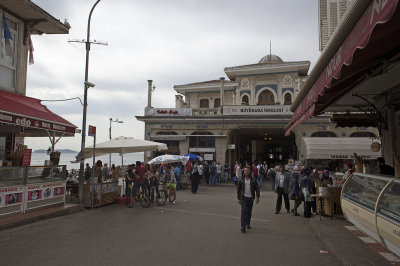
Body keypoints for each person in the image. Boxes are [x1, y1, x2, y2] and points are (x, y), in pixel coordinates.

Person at [237, 166, 260, 233]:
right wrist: (238, 198)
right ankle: (243, 226)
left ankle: (248, 223)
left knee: (249, 211)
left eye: (247, 170)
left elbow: (257, 189)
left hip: (251, 198)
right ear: (243, 172)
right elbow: (238, 190)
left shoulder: (253, 179)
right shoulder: (241, 180)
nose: (246, 172)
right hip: (243, 198)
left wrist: (257, 197)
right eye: (245, 170)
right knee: (243, 211)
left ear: (250, 171)